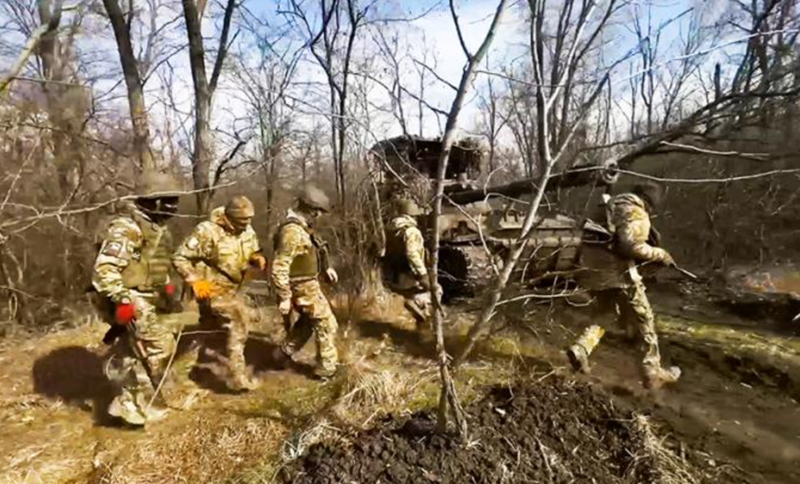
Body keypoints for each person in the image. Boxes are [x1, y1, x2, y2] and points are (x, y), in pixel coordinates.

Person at [569, 182, 681, 389]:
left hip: (592, 271)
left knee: (606, 313)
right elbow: (631, 246)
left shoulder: (605, 207)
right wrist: (661, 255)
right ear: (649, 203)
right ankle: (652, 371)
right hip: (618, 275)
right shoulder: (635, 212)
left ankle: (581, 349)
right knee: (643, 318)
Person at [92, 171, 182, 426]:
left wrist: (166, 289)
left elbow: (152, 265)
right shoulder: (127, 227)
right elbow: (104, 269)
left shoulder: (157, 228)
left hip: (144, 293)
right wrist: (123, 302)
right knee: (158, 345)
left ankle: (126, 400)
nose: (173, 206)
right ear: (151, 201)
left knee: (135, 349)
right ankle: (134, 405)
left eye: (174, 200)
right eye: (168, 200)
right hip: (124, 294)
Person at [172, 196, 265, 392]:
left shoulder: (247, 230)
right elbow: (179, 258)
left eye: (248, 220)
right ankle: (238, 379)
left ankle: (183, 370)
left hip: (233, 288)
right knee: (239, 323)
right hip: (211, 288)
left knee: (207, 329)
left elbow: (252, 250)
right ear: (228, 217)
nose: (245, 225)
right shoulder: (207, 231)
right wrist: (194, 280)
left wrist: (256, 258)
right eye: (241, 221)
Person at [272, 185, 340, 380]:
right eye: (317, 211)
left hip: (306, 284)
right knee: (326, 324)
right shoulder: (292, 231)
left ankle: (282, 353)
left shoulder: (302, 228)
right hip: (301, 286)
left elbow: (313, 249)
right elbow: (280, 265)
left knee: (308, 323)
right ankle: (326, 370)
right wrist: (284, 297)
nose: (318, 216)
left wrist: (326, 267)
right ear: (309, 209)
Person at [383, 198, 435, 336]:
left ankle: (421, 329)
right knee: (436, 292)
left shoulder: (392, 228)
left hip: (396, 271)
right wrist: (422, 273)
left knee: (411, 295)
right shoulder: (411, 231)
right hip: (410, 271)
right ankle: (426, 323)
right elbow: (412, 253)